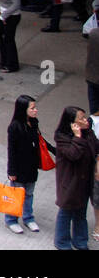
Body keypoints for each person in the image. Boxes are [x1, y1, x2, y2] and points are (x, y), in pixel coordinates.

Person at [53, 105, 99, 249]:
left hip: (85, 181)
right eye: (82, 118)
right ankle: (62, 242)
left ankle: (80, 241)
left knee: (80, 214)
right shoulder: (62, 137)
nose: (86, 121)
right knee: (66, 212)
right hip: (70, 182)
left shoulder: (89, 133)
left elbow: (96, 147)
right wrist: (78, 137)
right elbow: (73, 155)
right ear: (72, 123)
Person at [4, 95, 50, 235]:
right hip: (19, 167)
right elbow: (11, 151)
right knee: (17, 195)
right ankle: (11, 220)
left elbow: (41, 141)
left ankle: (28, 217)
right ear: (24, 109)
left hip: (32, 166)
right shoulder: (14, 127)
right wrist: (11, 171)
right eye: (32, 108)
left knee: (29, 193)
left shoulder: (34, 123)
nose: (35, 110)